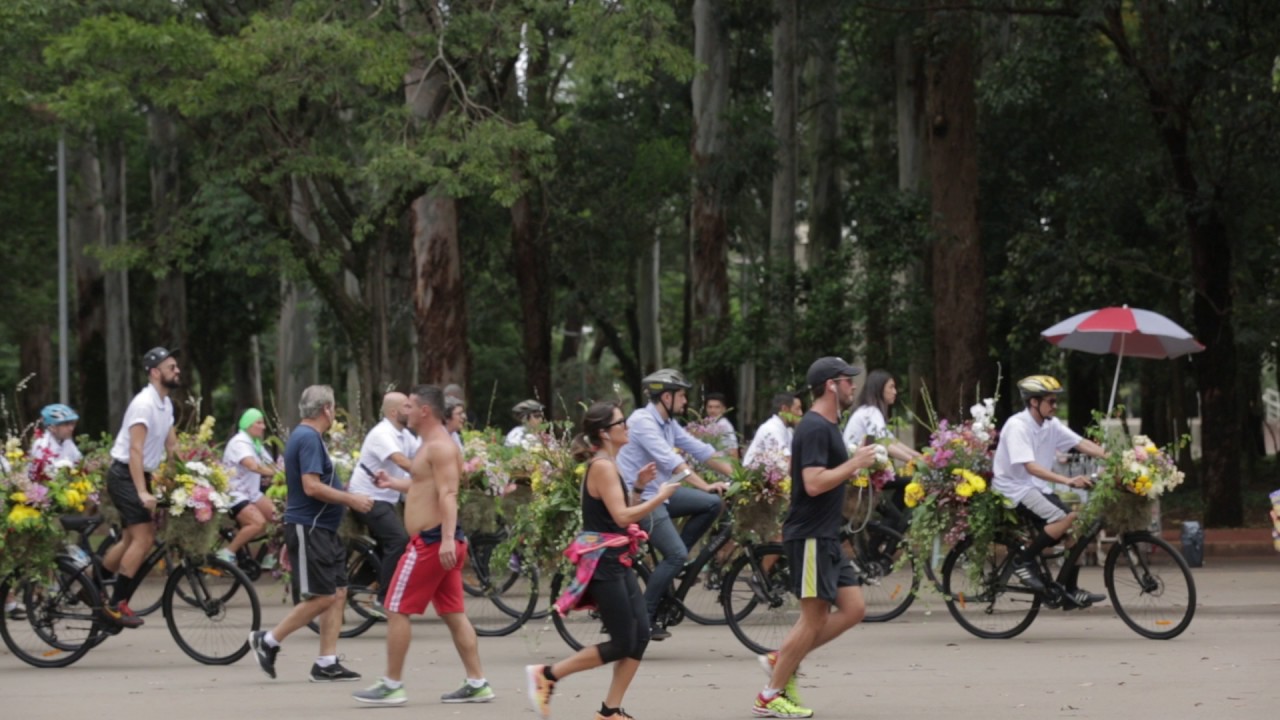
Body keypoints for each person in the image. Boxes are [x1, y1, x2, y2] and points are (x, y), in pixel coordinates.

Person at [524, 402, 675, 720]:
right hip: (603, 561)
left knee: (641, 634)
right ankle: (547, 675)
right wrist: (659, 497)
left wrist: (638, 488)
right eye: (622, 422)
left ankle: (610, 711)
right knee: (622, 642)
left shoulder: (610, 462)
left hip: (616, 558)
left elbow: (618, 515)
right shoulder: (603, 466)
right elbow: (622, 516)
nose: (628, 427)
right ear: (605, 432)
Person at [351, 385, 495, 706]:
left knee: (395, 607)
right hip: (437, 541)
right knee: (454, 613)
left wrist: (445, 539)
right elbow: (422, 485)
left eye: (410, 407)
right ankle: (477, 682)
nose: (406, 412)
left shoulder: (440, 447)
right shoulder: (427, 444)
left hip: (432, 543)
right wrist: (392, 483)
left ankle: (392, 684)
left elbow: (448, 494)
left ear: (425, 411)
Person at [754, 357, 880, 719]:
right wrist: (853, 464)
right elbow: (812, 482)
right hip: (809, 537)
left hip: (825, 536)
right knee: (813, 618)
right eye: (848, 381)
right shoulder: (813, 427)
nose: (853, 387)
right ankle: (769, 696)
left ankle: (783, 659)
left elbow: (829, 475)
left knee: (854, 608)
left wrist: (853, 467)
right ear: (831, 385)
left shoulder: (827, 424)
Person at [249, 385, 374, 682]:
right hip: (310, 527)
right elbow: (311, 486)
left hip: (323, 529)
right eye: (333, 408)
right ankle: (267, 641)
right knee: (323, 597)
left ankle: (326, 663)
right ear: (326, 410)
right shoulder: (307, 438)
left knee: (339, 592)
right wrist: (351, 500)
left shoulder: (309, 437)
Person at [616, 368, 733, 640]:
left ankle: (674, 562)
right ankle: (644, 619)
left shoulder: (668, 423)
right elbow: (672, 461)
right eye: (681, 395)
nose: (685, 401)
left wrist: (743, 475)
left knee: (711, 504)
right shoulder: (643, 422)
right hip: (642, 499)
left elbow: (701, 451)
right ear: (666, 397)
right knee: (677, 553)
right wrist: (705, 484)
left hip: (662, 493)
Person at [992, 375, 1108, 606]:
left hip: (1036, 487)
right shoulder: (1017, 426)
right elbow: (1031, 467)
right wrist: (1067, 480)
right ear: (1034, 402)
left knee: (1077, 530)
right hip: (1014, 489)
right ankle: (1023, 562)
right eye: (1050, 402)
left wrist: (1114, 457)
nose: (1055, 406)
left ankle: (1069, 590)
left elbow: (1080, 443)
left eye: (1056, 402)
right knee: (1066, 517)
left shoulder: (1050, 424)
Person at [99, 347, 182, 629]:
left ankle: (91, 586)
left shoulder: (166, 404)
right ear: (155, 372)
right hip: (125, 474)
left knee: (128, 540)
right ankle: (115, 604)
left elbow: (173, 447)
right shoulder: (144, 404)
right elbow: (135, 450)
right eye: (172, 367)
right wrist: (143, 492)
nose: (177, 370)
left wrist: (186, 479)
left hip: (139, 475)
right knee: (144, 538)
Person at [346, 392, 415, 609]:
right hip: (368, 497)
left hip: (386, 498)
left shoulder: (405, 434)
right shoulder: (382, 433)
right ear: (394, 412)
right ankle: (383, 597)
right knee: (398, 540)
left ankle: (352, 586)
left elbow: (421, 454)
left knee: (386, 547)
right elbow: (401, 460)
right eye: (407, 406)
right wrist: (430, 475)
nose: (411, 410)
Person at [217, 408, 279, 565]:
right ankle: (227, 553)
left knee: (279, 517)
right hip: (234, 494)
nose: (263, 427)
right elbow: (252, 466)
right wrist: (275, 474)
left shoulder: (256, 444)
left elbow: (272, 466)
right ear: (248, 425)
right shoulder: (240, 442)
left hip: (251, 493)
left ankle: (270, 555)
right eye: (259, 423)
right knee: (257, 523)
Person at [742, 393, 801, 467]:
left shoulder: (787, 431)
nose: (800, 413)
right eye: (797, 409)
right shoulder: (771, 429)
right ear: (784, 409)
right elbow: (785, 461)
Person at [702, 392, 739, 459]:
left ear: (724, 409)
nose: (713, 410)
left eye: (717, 407)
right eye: (710, 407)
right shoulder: (709, 424)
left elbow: (733, 449)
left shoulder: (724, 425)